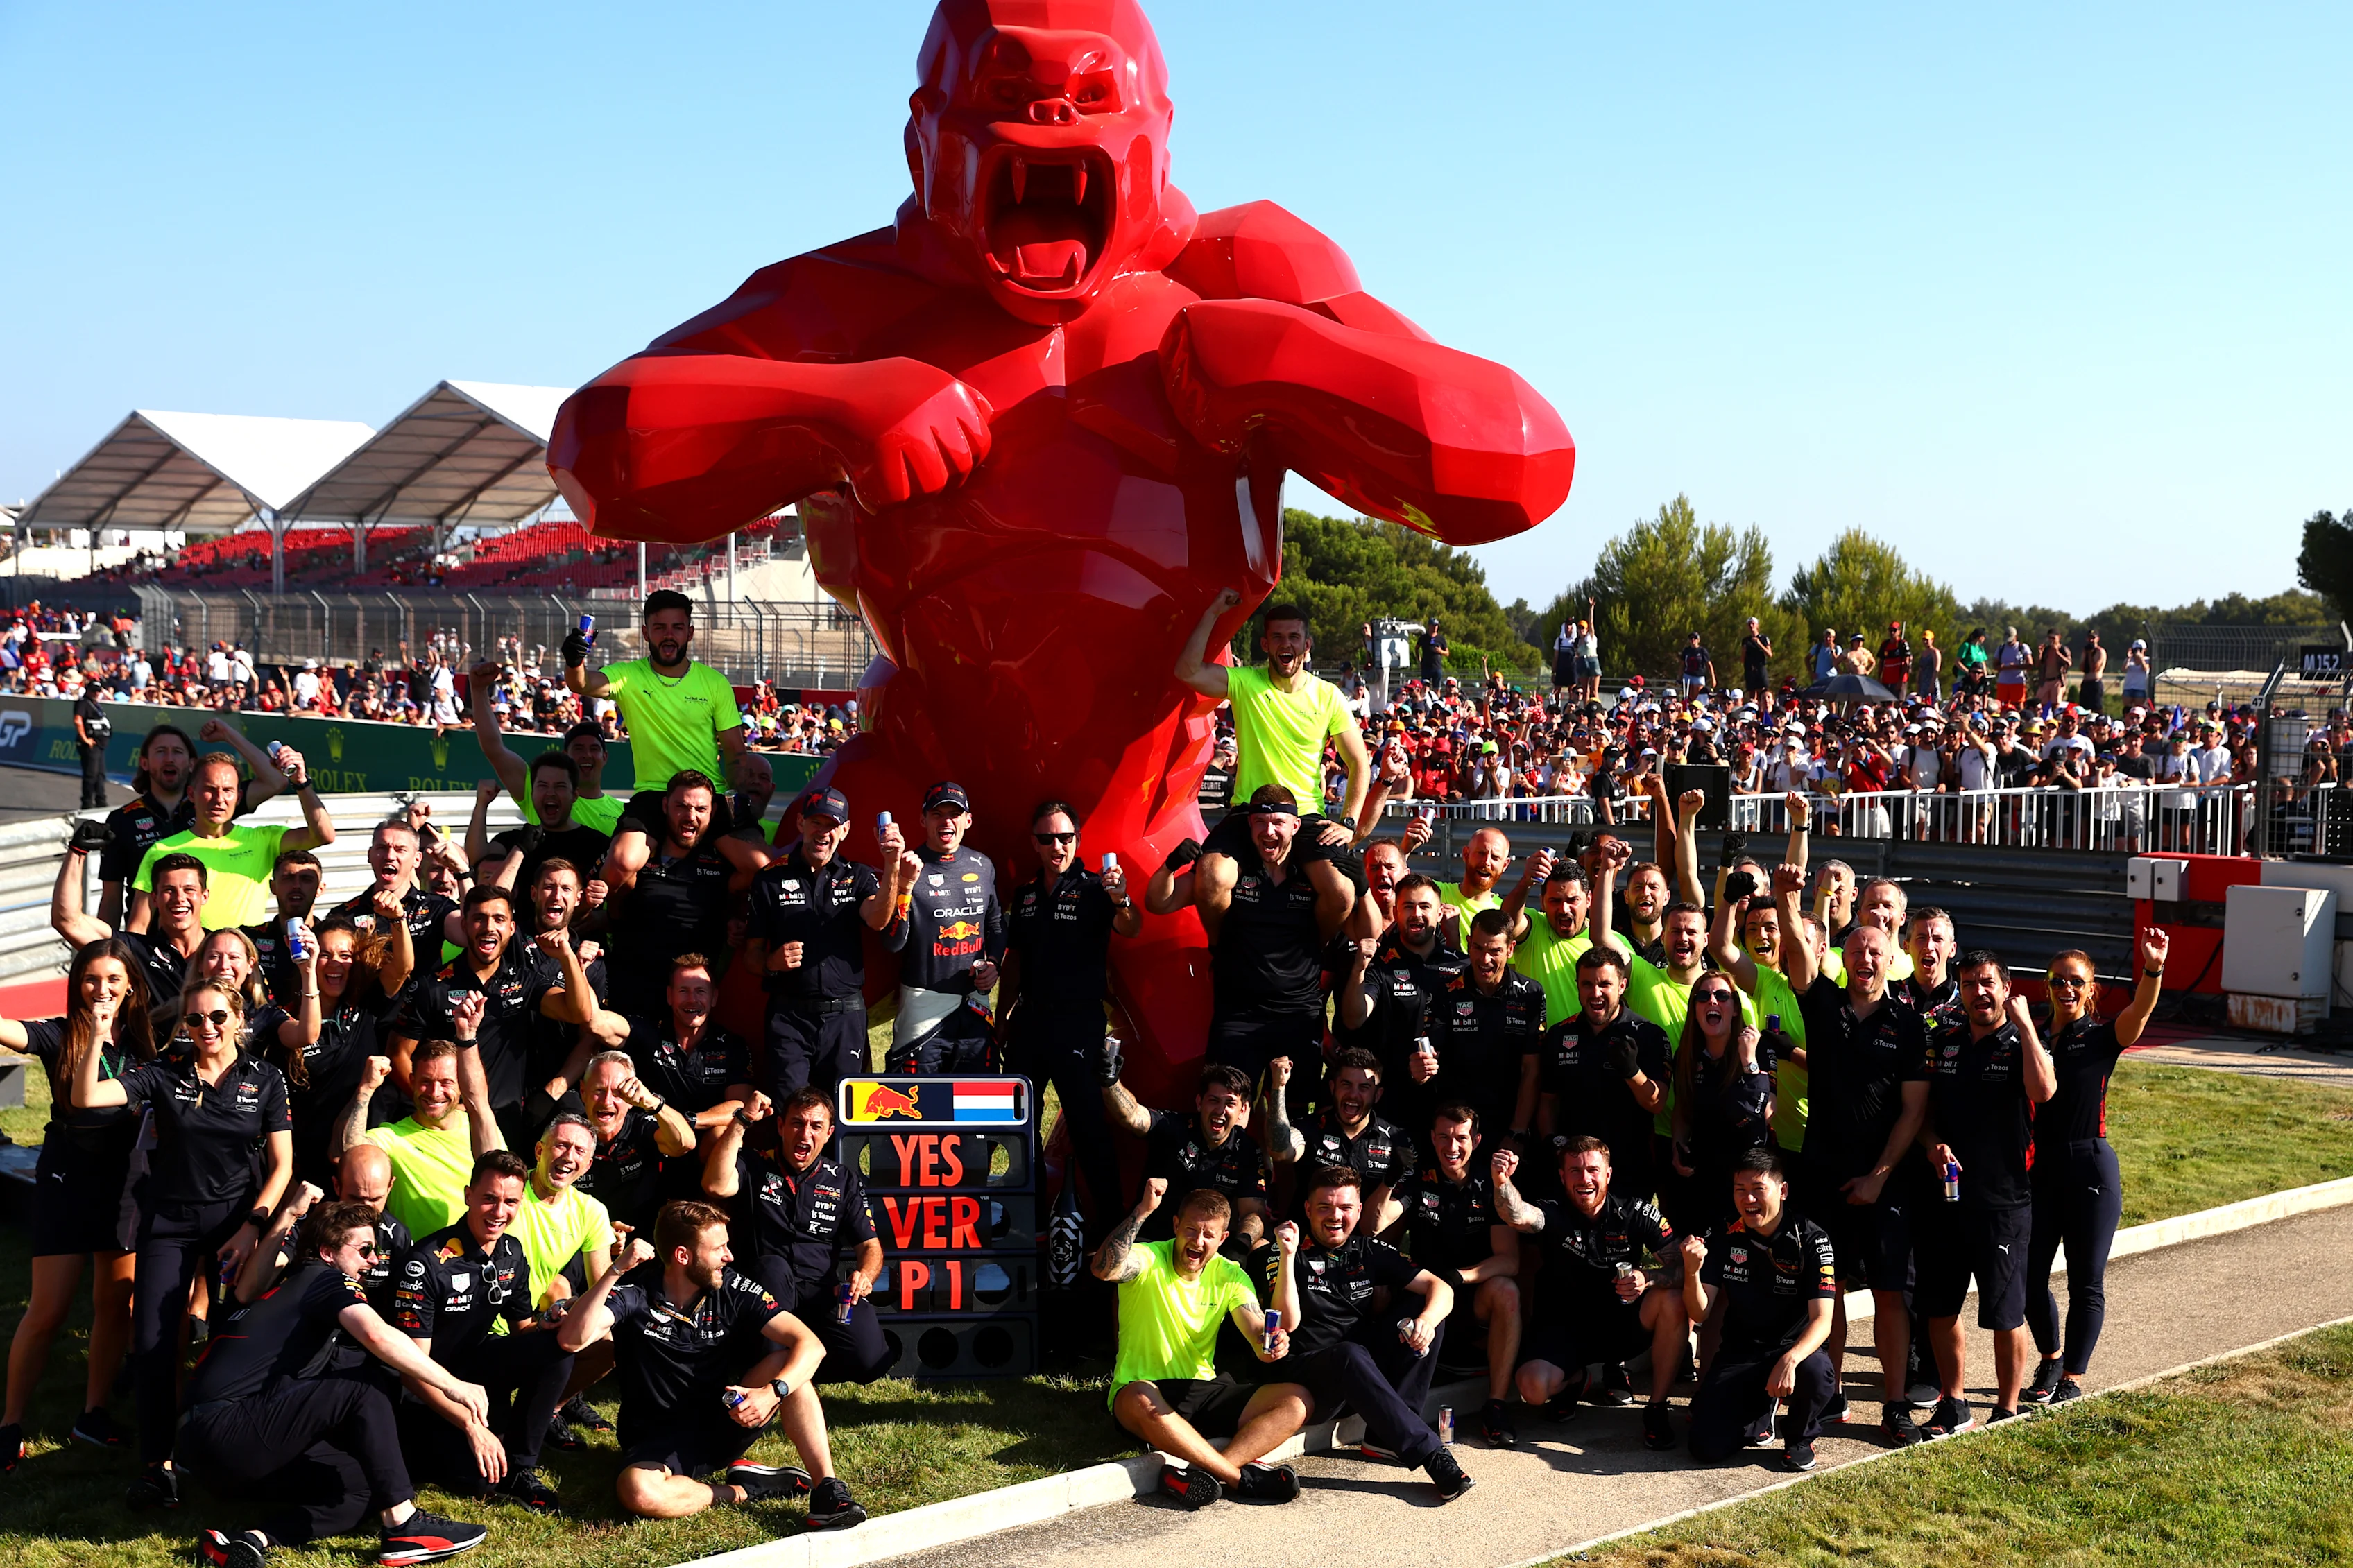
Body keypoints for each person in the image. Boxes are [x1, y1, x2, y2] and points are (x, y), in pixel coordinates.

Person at [69, 978, 294, 1506]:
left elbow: (283, 1165)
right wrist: (96, 1036)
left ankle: (223, 1453)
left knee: (231, 1344)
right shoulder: (166, 1074)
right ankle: (158, 1464)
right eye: (194, 1020)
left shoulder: (266, 1078)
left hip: (237, 1225)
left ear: (239, 1018)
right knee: (151, 1343)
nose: (206, 1028)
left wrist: (253, 1226)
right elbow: (86, 1096)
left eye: (217, 1017)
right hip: (168, 1222)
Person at [178, 1198, 493, 1567]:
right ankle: (405, 1525)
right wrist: (455, 1385)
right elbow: (377, 1335)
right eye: (363, 1250)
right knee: (361, 1387)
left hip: (213, 1448)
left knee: (359, 1484)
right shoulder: (324, 1279)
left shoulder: (293, 1285)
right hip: (223, 1432)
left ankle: (251, 1541)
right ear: (327, 1252)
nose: (373, 1260)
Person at [555, 1201, 868, 1528]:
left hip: (725, 1417)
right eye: (718, 1248)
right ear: (682, 1256)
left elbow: (811, 1345)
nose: (729, 1256)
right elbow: (572, 1340)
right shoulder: (637, 1293)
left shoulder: (731, 1285)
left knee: (790, 1367)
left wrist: (773, 1392)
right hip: (657, 1439)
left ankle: (828, 1490)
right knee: (638, 1492)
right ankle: (743, 1489)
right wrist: (615, 1271)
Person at [1783, 886, 1931, 1445]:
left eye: (1875, 952)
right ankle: (1831, 1394)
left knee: (1892, 1292)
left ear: (1890, 958)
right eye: (1856, 951)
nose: (1865, 959)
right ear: (1841, 959)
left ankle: (1895, 1404)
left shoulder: (1909, 1023)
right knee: (1831, 1289)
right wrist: (1783, 896)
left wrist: (1879, 1176)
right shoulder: (1822, 1004)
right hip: (1823, 1175)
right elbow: (1797, 949)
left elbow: (1914, 1111)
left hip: (1886, 1184)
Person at [0, 939, 154, 1469]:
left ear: (130, 983)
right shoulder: (59, 1033)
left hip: (126, 1185)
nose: (102, 989)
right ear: (77, 983)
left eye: (113, 979)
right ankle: (10, 1422)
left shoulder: (145, 1043)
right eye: (92, 978)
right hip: (67, 1178)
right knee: (47, 1311)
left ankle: (93, 1414)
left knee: (115, 1305)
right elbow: (10, 1030)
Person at [1265, 1165, 1473, 1501]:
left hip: (1361, 1373)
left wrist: (1426, 1323)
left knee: (1423, 1311)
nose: (1336, 1216)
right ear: (1307, 1210)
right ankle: (1431, 1455)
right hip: (1310, 1379)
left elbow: (1441, 1287)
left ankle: (1385, 1437)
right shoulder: (1282, 1250)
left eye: (1346, 1207)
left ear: (1359, 1210)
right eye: (1324, 1207)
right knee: (1350, 1353)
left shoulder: (1367, 1249)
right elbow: (1285, 1322)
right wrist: (1288, 1257)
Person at [1095, 1182, 1308, 1508]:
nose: (1197, 1241)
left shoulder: (1231, 1274)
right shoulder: (1150, 1256)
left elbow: (1255, 1333)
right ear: (1176, 1226)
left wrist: (1270, 1346)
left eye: (1209, 1235)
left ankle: (1194, 1473)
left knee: (1296, 1401)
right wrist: (1143, 1211)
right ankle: (1240, 1479)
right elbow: (1103, 1268)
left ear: (1223, 1239)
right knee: (1139, 1397)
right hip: (1142, 1390)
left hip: (1202, 1389)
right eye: (1191, 1230)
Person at [386, 1148, 575, 1511]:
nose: (499, 1212)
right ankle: (465, 1443)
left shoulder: (511, 1252)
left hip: (478, 1374)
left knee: (556, 1349)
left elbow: (523, 1331)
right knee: (473, 1478)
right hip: (428, 1387)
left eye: (510, 1202)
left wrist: (550, 1322)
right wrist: (473, 1427)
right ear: (468, 1195)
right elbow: (410, 1371)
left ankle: (520, 1467)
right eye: (489, 1199)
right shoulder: (427, 1263)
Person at [1915, 951, 2055, 1434]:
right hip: (1948, 1199)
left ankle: (2007, 1407)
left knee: (2004, 1310)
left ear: (2006, 985)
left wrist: (2028, 1027)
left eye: (1988, 982)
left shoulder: (2020, 1042)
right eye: (1970, 983)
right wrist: (1933, 1146)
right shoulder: (1946, 1041)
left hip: (2003, 1202)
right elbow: (1924, 1116)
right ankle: (1953, 1402)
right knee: (1940, 1304)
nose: (1980, 992)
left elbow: (2043, 1091)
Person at [2025, 931, 2168, 1406]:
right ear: (2047, 985)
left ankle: (2073, 1376)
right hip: (2041, 1170)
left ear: (2091, 989)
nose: (2067, 987)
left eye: (2076, 981)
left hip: (2090, 1167)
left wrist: (2152, 969)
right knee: (2028, 1275)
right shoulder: (2033, 1037)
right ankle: (2050, 1357)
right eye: (2058, 979)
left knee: (2087, 1279)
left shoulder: (2102, 1037)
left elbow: (2141, 1012)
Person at [1175, 597, 1370, 942]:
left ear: (1307, 646)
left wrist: (1349, 823)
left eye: (1294, 637)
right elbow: (1187, 671)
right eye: (1277, 637)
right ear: (1265, 644)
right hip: (1248, 811)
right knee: (1211, 879)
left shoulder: (1329, 696)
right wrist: (1212, 612)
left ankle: (1309, 954)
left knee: (1342, 893)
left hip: (1306, 815)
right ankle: (1225, 954)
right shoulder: (1245, 682)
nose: (1286, 644)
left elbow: (1359, 762)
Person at [1494, 1135, 1691, 1449]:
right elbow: (1516, 1214)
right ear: (1562, 1176)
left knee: (1672, 1299)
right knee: (1531, 1390)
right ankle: (1577, 1380)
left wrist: (1647, 1277)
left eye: (1592, 1171)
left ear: (1608, 1174)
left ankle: (1656, 1408)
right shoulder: (1553, 1210)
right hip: (1566, 1327)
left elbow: (1683, 1268)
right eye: (1574, 1171)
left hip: (1623, 1324)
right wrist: (1502, 1181)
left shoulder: (1636, 1211)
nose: (1584, 1179)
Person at [1001, 800, 1140, 1236]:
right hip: (1029, 1025)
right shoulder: (1024, 894)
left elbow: (1131, 926)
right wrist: (1003, 1018)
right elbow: (1015, 962)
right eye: (1047, 839)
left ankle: (1114, 1225)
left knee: (1087, 1126)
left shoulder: (1098, 887)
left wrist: (1122, 897)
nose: (1057, 845)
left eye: (1065, 837)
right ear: (1034, 844)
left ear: (1077, 840)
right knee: (1018, 1124)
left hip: (1079, 1024)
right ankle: (1032, 1219)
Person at [701, 1090, 891, 1384]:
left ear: (829, 1133)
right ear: (780, 1127)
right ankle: (767, 1372)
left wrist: (865, 1276)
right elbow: (715, 1185)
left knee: (869, 1363)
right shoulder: (754, 1163)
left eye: (816, 1126)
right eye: (797, 1123)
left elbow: (870, 1245)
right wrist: (742, 1121)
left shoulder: (843, 1179)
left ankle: (798, 1371)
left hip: (820, 1291)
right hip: (763, 1288)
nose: (805, 1133)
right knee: (773, 1268)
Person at [392, 886, 597, 1141]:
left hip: (508, 1125)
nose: (489, 927)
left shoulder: (525, 981)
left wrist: (566, 957)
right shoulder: (431, 986)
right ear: (464, 925)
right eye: (479, 918)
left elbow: (579, 1013)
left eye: (499, 919)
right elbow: (399, 1054)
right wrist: (439, 1103)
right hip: (447, 1128)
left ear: (512, 928)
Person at [1681, 1149, 1840, 1470]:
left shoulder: (1812, 1239)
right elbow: (1700, 1314)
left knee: (1818, 1372)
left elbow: (1824, 1320)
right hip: (1741, 1352)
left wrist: (1791, 1359)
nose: (1749, 1199)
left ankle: (1799, 1438)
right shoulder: (1725, 1234)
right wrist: (1692, 1272)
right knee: (1705, 1447)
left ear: (1782, 1191)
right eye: (1740, 1190)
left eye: (1758, 1189)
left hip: (1792, 1350)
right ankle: (1759, 1413)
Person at [744, 785, 905, 1101]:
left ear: (844, 831)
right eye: (816, 822)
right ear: (800, 823)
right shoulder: (769, 878)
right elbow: (750, 955)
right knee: (789, 1110)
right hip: (789, 1016)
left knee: (845, 1112)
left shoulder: (857, 875)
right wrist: (770, 963)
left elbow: (878, 919)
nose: (823, 832)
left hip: (845, 1016)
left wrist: (892, 865)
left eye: (832, 825)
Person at [1392, 1103, 1521, 1447]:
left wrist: (1461, 1276)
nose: (1452, 1147)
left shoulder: (1491, 1182)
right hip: (1425, 1297)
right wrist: (1393, 1176)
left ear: (1476, 1140)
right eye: (1444, 1137)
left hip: (1470, 1293)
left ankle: (1495, 1405)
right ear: (1432, 1139)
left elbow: (1509, 1261)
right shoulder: (1419, 1175)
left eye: (1461, 1137)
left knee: (1507, 1289)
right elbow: (1375, 1224)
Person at [592, 770, 765, 1019]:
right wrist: (605, 918)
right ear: (664, 806)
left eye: (701, 810)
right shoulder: (642, 859)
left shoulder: (722, 866)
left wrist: (735, 919)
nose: (690, 817)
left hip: (691, 1001)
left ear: (713, 814)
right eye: (681, 807)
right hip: (633, 993)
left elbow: (759, 873)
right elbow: (616, 908)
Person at [561, 589, 747, 816]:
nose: (669, 635)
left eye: (677, 628)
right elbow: (582, 684)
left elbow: (736, 753)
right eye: (660, 628)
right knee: (622, 854)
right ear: (646, 633)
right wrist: (574, 661)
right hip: (651, 798)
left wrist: (738, 804)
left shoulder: (716, 683)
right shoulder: (628, 676)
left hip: (707, 798)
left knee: (754, 853)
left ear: (689, 633)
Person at [94, 721, 288, 927]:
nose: (169, 759)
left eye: (178, 752)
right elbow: (111, 899)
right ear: (144, 763)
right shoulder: (122, 820)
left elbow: (277, 781)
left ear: (191, 763)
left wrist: (228, 735)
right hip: (149, 946)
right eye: (161, 752)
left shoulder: (212, 804)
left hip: (212, 945)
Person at [130, 746, 335, 933]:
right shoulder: (163, 850)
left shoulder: (263, 840)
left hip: (245, 965)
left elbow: (323, 834)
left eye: (227, 791)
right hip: (185, 966)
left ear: (238, 797)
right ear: (192, 794)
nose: (219, 799)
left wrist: (301, 782)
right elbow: (139, 926)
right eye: (210, 789)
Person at [1204, 786, 1332, 1084]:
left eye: (1278, 823)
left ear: (1296, 826)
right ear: (1249, 824)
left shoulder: (1314, 878)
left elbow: (1362, 925)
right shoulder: (1235, 871)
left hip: (1298, 1014)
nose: (1269, 831)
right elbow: (1160, 902)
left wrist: (1360, 885)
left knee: (1295, 1119)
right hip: (1239, 1014)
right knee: (1226, 1105)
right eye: (1260, 822)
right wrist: (1172, 867)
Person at [880, 779, 1006, 1061]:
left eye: (955, 814)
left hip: (974, 1003)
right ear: (923, 819)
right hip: (923, 1005)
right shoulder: (907, 867)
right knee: (917, 1102)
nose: (946, 821)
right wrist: (904, 886)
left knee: (977, 1101)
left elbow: (996, 926)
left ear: (968, 820)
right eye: (937, 814)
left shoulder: (983, 865)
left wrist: (995, 964)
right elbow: (891, 942)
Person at [1533, 947, 1670, 1201]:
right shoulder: (1559, 1035)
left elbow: (1657, 1103)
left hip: (1628, 1169)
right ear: (1577, 986)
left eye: (1605, 984)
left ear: (1622, 985)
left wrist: (1633, 1072)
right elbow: (1548, 1101)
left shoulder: (1649, 1035)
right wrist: (1552, 1142)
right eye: (1587, 984)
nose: (1595, 993)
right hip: (1575, 1170)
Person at [1335, 873, 1465, 1123]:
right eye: (1408, 906)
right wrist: (1359, 969)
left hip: (1450, 1103)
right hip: (1393, 1101)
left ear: (1439, 915)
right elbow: (1354, 1018)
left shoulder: (1459, 964)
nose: (1417, 913)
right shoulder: (1381, 963)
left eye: (1425, 906)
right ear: (1396, 912)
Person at [1102, 1062, 1269, 1254]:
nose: (1220, 1110)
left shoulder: (1247, 1149)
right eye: (1214, 1100)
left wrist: (1239, 1248)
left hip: (1205, 1248)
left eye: (1230, 1103)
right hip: (1153, 1241)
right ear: (1199, 1102)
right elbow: (1132, 1116)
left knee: (1262, 1248)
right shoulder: (1174, 1127)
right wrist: (1110, 1081)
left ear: (1242, 1110)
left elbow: (1253, 1213)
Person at [54, 836, 206, 1031]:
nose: (179, 898)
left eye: (189, 889)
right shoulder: (136, 950)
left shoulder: (222, 949)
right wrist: (77, 851)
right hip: (152, 1060)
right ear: (155, 898)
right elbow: (68, 920)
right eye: (169, 890)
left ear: (204, 896)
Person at [620, 954, 757, 1165]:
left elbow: (741, 1107)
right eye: (683, 991)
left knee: (725, 1133)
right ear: (669, 996)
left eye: (701, 991)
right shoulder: (648, 1032)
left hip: (704, 1150)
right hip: (653, 1141)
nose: (692, 1000)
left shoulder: (732, 1045)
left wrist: (690, 1121)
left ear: (714, 997)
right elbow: (596, 1022)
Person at [341, 1038, 479, 1240]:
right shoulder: (393, 1137)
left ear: (462, 1083)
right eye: (426, 1082)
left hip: (483, 1259)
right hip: (422, 1265)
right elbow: (351, 1153)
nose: (435, 1093)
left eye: (446, 1082)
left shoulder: (479, 1126)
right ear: (412, 1081)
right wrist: (366, 1089)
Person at [1668, 981, 1775, 1233]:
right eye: (1703, 996)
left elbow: (1768, 1111)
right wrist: (1678, 1146)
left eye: (1722, 996)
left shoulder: (1759, 1049)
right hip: (1703, 1173)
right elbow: (1682, 1110)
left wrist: (1749, 1062)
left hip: (1750, 1176)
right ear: (1695, 1010)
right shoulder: (1686, 1055)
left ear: (1735, 1009)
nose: (1712, 1001)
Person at [1264, 1048, 1412, 1228]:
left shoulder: (1397, 1142)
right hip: (1304, 1241)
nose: (1353, 1094)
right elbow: (1280, 1151)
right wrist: (1278, 1087)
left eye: (1364, 1087)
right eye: (1346, 1084)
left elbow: (1376, 1228)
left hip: (1362, 1246)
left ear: (1377, 1095)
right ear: (1333, 1087)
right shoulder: (1312, 1127)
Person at [471, 666, 627, 835]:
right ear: (566, 756)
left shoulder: (624, 813)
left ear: (605, 757)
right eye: (579, 748)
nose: (586, 755)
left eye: (594, 748)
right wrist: (479, 691)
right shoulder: (539, 792)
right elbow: (494, 748)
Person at [565, 1050, 697, 1239]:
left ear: (631, 1100)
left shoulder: (641, 1126)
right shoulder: (568, 1134)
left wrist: (652, 1103)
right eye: (599, 1091)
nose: (607, 1101)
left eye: (618, 1094)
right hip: (584, 1239)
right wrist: (599, 1233)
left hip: (647, 1243)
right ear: (583, 1092)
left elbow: (684, 1144)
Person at [471, 752, 613, 897]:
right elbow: (477, 862)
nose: (550, 793)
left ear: (575, 795)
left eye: (560, 786)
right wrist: (481, 804)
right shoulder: (517, 841)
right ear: (532, 793)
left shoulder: (598, 844)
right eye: (543, 786)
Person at [1437, 826, 1512, 951]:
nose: (1486, 862)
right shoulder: (1434, 893)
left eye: (1495, 857)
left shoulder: (1506, 914)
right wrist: (1407, 846)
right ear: (1466, 854)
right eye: (1481, 853)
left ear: (1505, 865)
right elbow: (1398, 883)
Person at [72, 678, 110, 809]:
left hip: (100, 744)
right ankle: (87, 803)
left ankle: (101, 802)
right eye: (94, 691)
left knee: (100, 774)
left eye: (98, 691)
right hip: (90, 744)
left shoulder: (96, 705)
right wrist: (85, 739)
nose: (96, 693)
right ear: (88, 690)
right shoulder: (83, 703)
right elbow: (78, 720)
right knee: (91, 775)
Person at [1740, 618, 1772, 696]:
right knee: (1752, 693)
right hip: (1750, 669)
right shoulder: (1745, 640)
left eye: (1753, 624)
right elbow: (1742, 660)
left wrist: (1760, 644)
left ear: (1757, 625)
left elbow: (1770, 654)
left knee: (1761, 692)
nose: (1751, 626)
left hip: (1760, 667)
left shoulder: (1763, 638)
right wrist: (1744, 652)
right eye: (1749, 624)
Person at [1679, 632, 1714, 698]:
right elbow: (1682, 664)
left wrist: (1713, 678)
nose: (1693, 640)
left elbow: (1709, 664)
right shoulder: (1686, 651)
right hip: (1688, 675)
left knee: (1698, 696)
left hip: (1699, 676)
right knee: (1687, 696)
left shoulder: (1702, 651)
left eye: (1695, 638)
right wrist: (1679, 676)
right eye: (1691, 638)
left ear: (1698, 640)